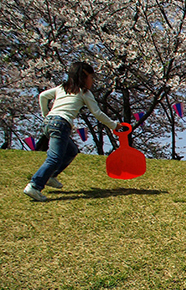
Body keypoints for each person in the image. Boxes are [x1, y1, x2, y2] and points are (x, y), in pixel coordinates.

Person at [23, 62, 122, 202]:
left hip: (49, 123)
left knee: (71, 151)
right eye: (91, 78)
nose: (92, 81)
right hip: (61, 124)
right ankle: (35, 185)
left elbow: (43, 96)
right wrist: (114, 125)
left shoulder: (61, 88)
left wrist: (46, 115)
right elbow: (97, 113)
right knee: (54, 158)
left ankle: (51, 176)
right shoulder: (84, 92)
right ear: (83, 77)